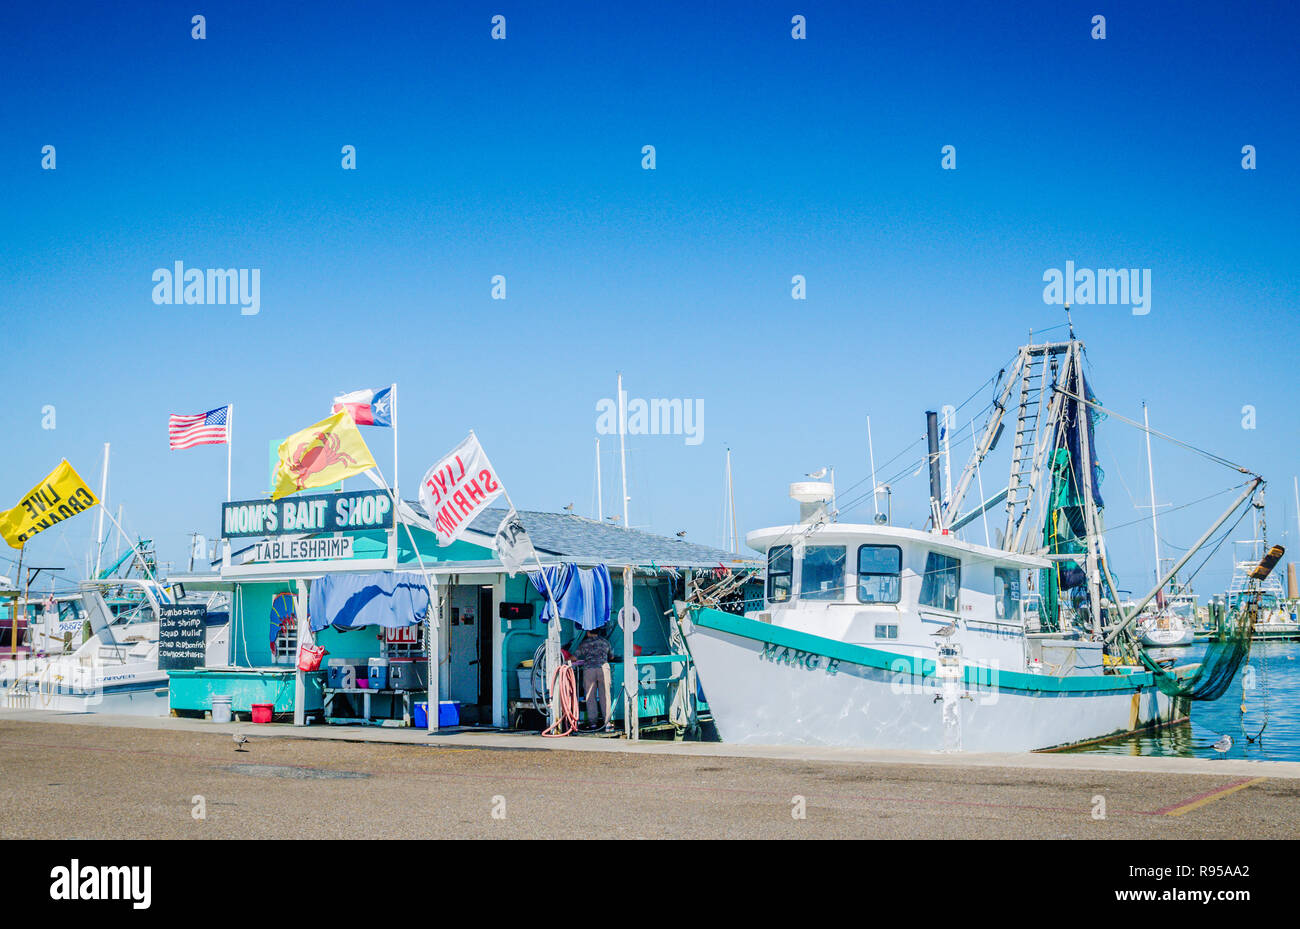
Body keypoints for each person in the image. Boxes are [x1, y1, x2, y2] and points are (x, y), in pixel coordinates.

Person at [572, 627, 613, 732]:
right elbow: (611, 656)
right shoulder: (605, 642)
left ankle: (593, 724)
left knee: (590, 696)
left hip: (589, 669)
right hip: (604, 668)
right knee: (605, 696)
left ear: (588, 631)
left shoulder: (585, 643)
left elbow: (575, 658)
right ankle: (607, 723)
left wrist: (566, 658)